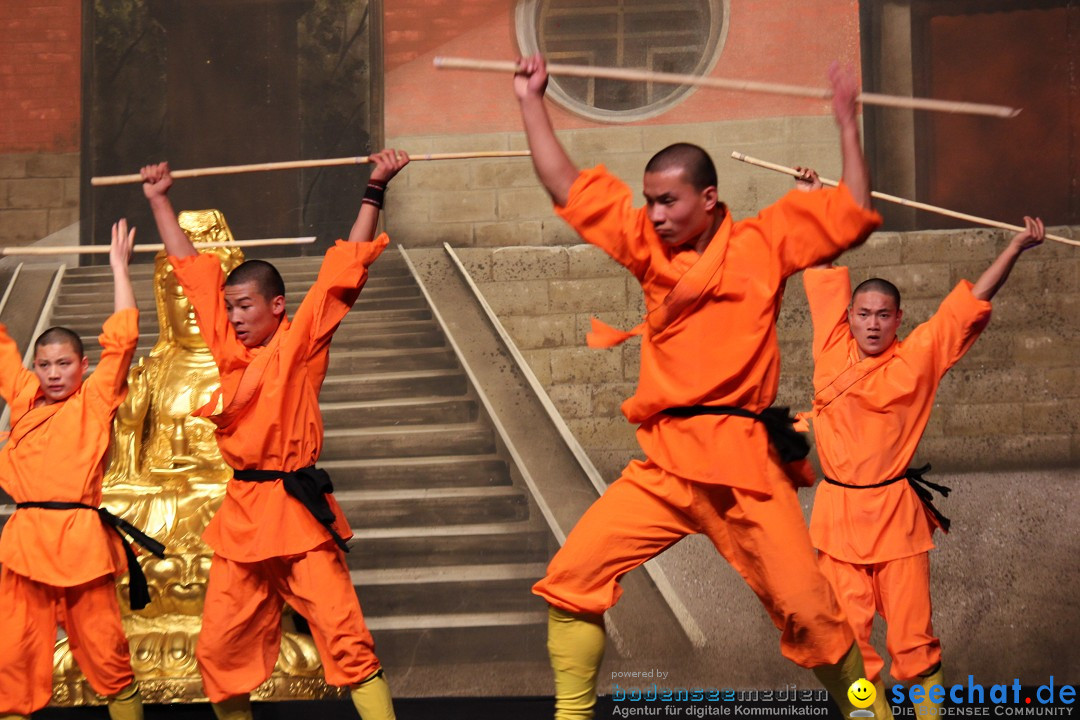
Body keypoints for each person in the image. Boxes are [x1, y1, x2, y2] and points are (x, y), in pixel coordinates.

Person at [513, 54, 883, 719]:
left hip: (743, 461)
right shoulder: (644, 244)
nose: (653, 213)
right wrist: (531, 99)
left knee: (814, 616)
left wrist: (846, 124)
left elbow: (853, 208)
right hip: (666, 462)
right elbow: (565, 184)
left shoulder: (764, 242)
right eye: (648, 199)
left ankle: (866, 709)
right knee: (573, 579)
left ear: (707, 200)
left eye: (667, 200)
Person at [139, 149, 409, 720]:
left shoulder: (300, 342)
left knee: (347, 640)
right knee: (218, 650)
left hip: (294, 514)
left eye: (245, 306)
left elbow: (345, 270)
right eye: (230, 307)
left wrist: (374, 188)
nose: (233, 317)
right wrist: (160, 200)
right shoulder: (229, 349)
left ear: (277, 306)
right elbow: (192, 272)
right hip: (241, 517)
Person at [801, 206, 1045, 718]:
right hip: (837, 516)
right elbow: (822, 266)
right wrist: (814, 201)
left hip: (895, 517)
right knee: (846, 640)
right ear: (848, 318)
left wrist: (1013, 249)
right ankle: (872, 714)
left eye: (882, 314)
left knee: (913, 641)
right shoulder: (831, 347)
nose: (871, 323)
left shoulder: (919, 358)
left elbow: (971, 301)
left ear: (898, 319)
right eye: (863, 313)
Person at [0, 219, 156, 720]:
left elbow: (123, 340)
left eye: (63, 364)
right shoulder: (25, 399)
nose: (53, 374)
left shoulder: (93, 400)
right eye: (44, 365)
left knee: (108, 655)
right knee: (10, 661)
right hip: (25, 542)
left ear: (82, 365)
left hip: (80, 541)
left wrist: (118, 267)